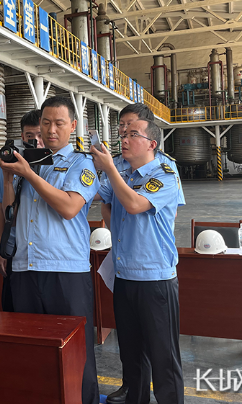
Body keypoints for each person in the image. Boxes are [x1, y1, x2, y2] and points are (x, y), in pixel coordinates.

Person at [0, 96, 100, 404]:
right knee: (31, 350)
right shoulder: (29, 161)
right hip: (25, 267)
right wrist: (8, 178)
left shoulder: (82, 164)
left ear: (73, 126)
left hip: (65, 270)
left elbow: (69, 207)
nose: (51, 129)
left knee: (76, 352)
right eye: (46, 123)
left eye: (59, 123)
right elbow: (9, 211)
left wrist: (29, 175)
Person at [91, 118, 184, 404]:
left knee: (163, 356)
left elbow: (134, 205)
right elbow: (95, 195)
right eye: (124, 134)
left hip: (155, 279)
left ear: (151, 143)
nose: (125, 139)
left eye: (133, 134)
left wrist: (109, 169)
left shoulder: (165, 174)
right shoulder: (125, 175)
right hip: (124, 276)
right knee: (131, 353)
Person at [0, 109, 44, 312]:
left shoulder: (57, 165)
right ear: (22, 137)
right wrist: (1, 248)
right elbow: (0, 209)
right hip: (16, 250)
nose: (35, 141)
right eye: (30, 136)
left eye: (40, 135)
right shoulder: (8, 166)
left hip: (46, 253)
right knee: (15, 311)